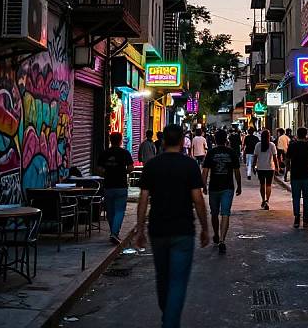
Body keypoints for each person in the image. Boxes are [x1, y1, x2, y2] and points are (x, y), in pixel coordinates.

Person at [136, 124, 209, 328]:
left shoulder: (152, 166)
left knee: (162, 276)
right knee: (177, 281)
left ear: (164, 141)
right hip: (183, 230)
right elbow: (198, 199)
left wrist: (140, 229)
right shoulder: (189, 165)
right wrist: (205, 228)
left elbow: (143, 199)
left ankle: (168, 316)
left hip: (157, 229)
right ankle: (170, 321)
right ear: (181, 142)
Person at [202, 129, 242, 254]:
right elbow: (237, 171)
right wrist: (239, 185)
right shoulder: (231, 153)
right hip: (228, 188)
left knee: (214, 213)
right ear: (226, 140)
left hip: (214, 187)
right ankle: (222, 240)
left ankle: (216, 235)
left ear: (215, 139)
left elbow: (205, 172)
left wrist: (204, 186)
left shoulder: (211, 153)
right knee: (225, 213)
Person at [98, 132, 134, 245]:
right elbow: (131, 168)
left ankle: (114, 232)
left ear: (110, 140)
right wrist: (123, 172)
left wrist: (108, 172)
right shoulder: (125, 153)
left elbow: (99, 168)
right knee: (119, 211)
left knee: (110, 212)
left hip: (108, 185)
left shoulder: (105, 153)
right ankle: (114, 233)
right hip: (121, 185)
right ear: (120, 141)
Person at [287, 127, 308, 228]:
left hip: (295, 175)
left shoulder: (292, 146)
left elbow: (287, 160)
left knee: (295, 197)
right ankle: (305, 219)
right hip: (307, 175)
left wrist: (287, 171)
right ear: (306, 135)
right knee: (307, 198)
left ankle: (296, 217)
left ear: (297, 134)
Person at [253, 129, 279, 210]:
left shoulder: (258, 145)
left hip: (260, 167)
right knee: (268, 184)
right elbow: (275, 158)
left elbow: (255, 157)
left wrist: (254, 166)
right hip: (270, 168)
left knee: (262, 184)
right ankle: (267, 200)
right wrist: (277, 167)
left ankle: (263, 200)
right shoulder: (272, 145)